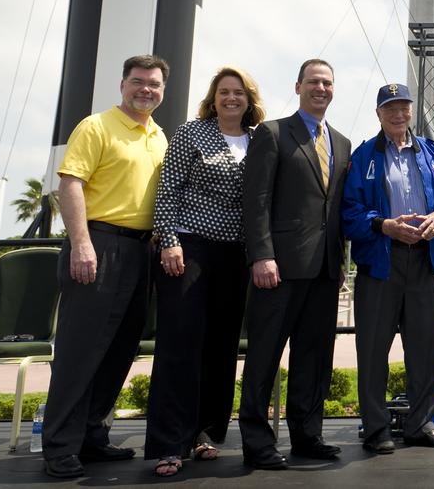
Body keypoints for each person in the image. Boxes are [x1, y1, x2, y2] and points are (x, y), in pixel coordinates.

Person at [41, 54, 170, 480]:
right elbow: (70, 183)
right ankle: (60, 445)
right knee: (80, 351)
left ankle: (91, 435)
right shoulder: (96, 126)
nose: (145, 90)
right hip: (98, 244)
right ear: (122, 84)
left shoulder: (159, 136)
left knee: (119, 349)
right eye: (138, 82)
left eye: (153, 84)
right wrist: (81, 243)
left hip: (141, 251)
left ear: (162, 91)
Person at [144, 66, 266, 477]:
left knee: (221, 346)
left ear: (250, 100)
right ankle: (168, 443)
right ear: (213, 98)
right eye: (224, 92)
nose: (231, 99)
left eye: (239, 93)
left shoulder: (259, 140)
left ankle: (206, 434)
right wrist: (170, 239)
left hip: (235, 254)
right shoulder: (190, 133)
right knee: (180, 344)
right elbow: (168, 188)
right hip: (189, 246)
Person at [342, 83, 434, 454]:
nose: (398, 115)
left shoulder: (430, 153)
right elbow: (348, 213)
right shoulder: (365, 154)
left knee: (427, 347)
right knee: (372, 348)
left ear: (411, 111)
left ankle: (421, 423)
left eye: (404, 108)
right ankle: (376, 428)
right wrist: (383, 224)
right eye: (390, 108)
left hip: (424, 262)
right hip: (381, 261)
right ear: (378, 113)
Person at [238, 59, 351, 470]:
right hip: (278, 268)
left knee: (314, 357)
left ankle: (308, 435)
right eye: (314, 82)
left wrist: (337, 260)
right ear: (299, 86)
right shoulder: (271, 133)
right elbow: (257, 201)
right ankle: (257, 441)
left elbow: (334, 207)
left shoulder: (342, 142)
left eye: (328, 82)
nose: (321, 88)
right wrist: (262, 254)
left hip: (323, 270)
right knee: (265, 356)